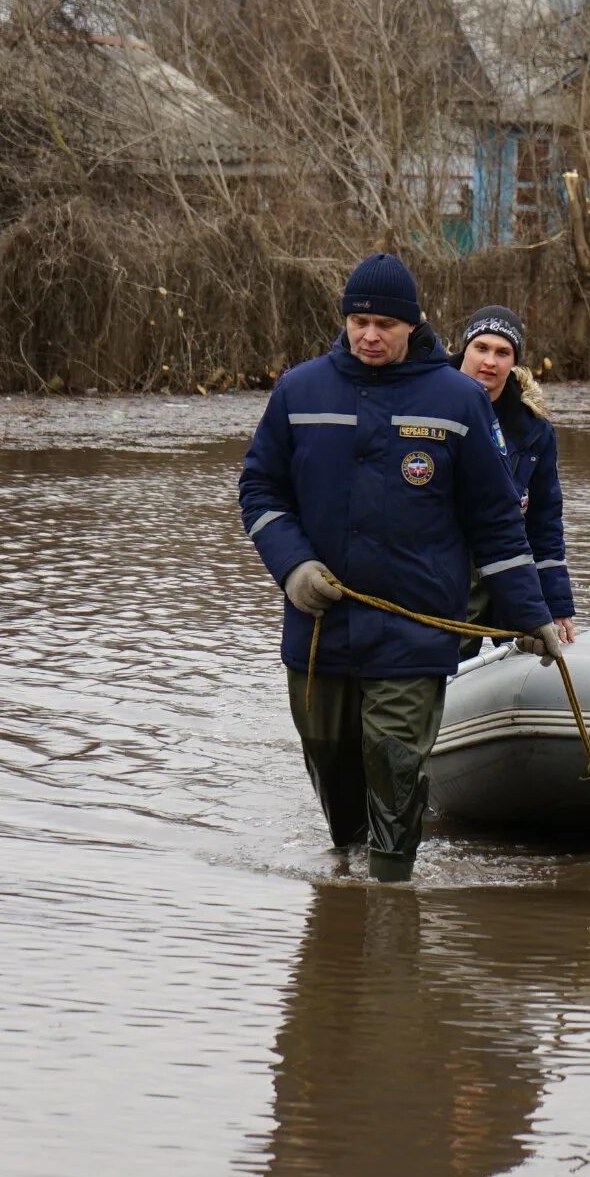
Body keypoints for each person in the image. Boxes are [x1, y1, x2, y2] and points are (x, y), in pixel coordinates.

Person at [239, 253, 564, 882]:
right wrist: (293, 567)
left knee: (396, 761)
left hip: (415, 627)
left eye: (385, 323)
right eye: (359, 320)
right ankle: (344, 886)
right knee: (332, 761)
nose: (370, 335)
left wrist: (532, 614)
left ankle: (391, 893)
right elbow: (260, 490)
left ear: (413, 324)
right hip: (318, 628)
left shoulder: (458, 400)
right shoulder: (299, 392)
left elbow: (498, 522)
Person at [450, 304, 575, 652]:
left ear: (514, 361)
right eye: (481, 348)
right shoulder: (430, 405)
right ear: (465, 349)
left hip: (512, 562)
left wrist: (558, 601)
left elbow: (545, 520)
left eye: (502, 352)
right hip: (450, 565)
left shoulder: (535, 430)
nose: (490, 361)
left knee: (534, 654)